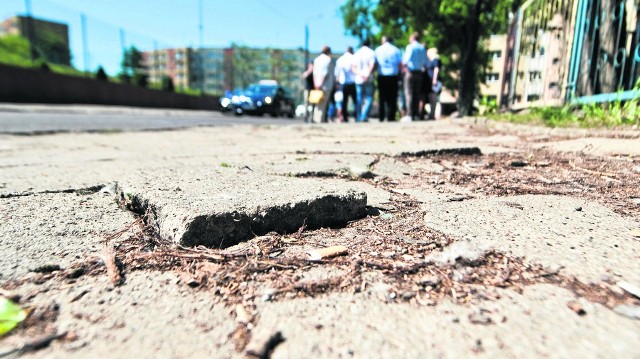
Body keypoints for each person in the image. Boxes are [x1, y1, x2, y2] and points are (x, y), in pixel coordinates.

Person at [374, 35, 402, 122]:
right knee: (392, 97)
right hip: (393, 75)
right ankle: (391, 117)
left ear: (384, 41)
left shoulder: (378, 50)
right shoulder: (396, 50)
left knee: (382, 97)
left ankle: (381, 117)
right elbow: (399, 64)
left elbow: (375, 64)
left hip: (382, 75)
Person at [401, 32, 427, 122]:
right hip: (419, 73)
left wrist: (403, 69)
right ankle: (416, 114)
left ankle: (409, 114)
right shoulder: (422, 48)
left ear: (412, 38)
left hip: (411, 72)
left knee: (409, 93)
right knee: (417, 94)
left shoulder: (410, 47)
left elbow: (405, 61)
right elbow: (425, 61)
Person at [352, 39, 376, 122]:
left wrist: (361, 74)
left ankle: (359, 116)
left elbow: (353, 68)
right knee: (369, 98)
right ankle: (364, 115)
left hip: (359, 79)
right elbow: (372, 65)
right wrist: (366, 74)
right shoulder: (371, 52)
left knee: (359, 98)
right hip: (368, 78)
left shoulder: (357, 53)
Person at [312, 46, 335, 123]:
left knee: (318, 103)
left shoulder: (316, 59)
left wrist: (316, 84)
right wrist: (321, 83)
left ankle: (316, 119)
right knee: (323, 104)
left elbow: (314, 73)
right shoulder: (328, 60)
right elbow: (326, 74)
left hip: (317, 84)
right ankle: (320, 120)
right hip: (325, 85)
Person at [334, 46, 357, 123]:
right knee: (355, 100)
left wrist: (337, 83)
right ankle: (357, 116)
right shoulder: (354, 57)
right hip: (353, 82)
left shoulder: (340, 60)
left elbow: (337, 74)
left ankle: (345, 117)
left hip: (343, 83)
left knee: (344, 101)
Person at [424, 47, 442, 120]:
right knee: (430, 98)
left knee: (433, 98)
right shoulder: (429, 60)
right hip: (428, 81)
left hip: (433, 81)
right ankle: (431, 114)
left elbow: (436, 69)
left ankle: (432, 114)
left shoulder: (435, 60)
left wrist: (434, 79)